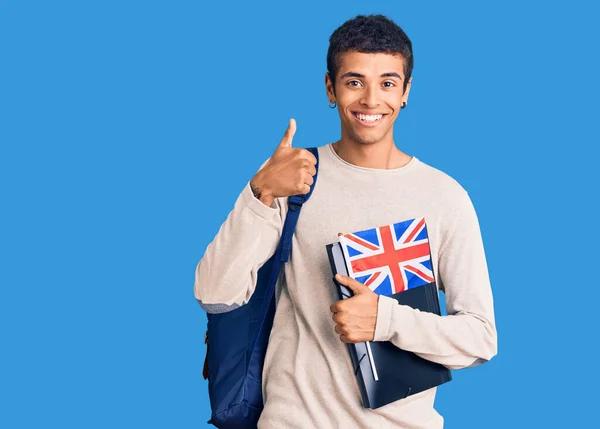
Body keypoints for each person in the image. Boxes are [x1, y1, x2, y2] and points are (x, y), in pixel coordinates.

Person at [194, 14, 497, 429]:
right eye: (355, 81)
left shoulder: (444, 198)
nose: (372, 100)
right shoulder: (292, 175)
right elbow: (215, 293)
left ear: (406, 91)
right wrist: (260, 193)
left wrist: (386, 321)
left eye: (388, 83)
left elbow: (480, 338)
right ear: (330, 89)